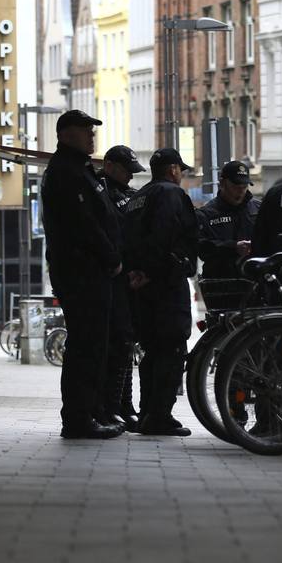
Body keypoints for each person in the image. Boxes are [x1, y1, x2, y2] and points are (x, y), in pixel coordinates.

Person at [41, 111, 127, 440]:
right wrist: (111, 258)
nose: (92, 136)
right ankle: (79, 418)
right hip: (82, 271)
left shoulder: (80, 170)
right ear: (65, 134)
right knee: (85, 346)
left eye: (93, 130)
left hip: (90, 271)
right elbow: (83, 225)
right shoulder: (66, 172)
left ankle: (91, 412)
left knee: (94, 345)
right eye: (85, 131)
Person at [123, 148, 199, 437]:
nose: (181, 175)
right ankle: (159, 415)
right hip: (165, 284)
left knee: (152, 351)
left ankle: (147, 412)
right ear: (173, 169)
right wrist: (155, 271)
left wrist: (138, 272)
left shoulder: (137, 197)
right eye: (181, 169)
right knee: (171, 348)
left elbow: (128, 238)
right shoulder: (170, 194)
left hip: (141, 286)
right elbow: (165, 234)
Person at [99, 145, 145, 431]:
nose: (130, 176)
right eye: (126, 170)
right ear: (110, 166)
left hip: (128, 279)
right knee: (115, 346)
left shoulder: (129, 195)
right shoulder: (101, 193)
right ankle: (111, 407)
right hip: (110, 278)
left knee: (126, 345)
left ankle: (124, 406)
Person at [196, 160, 261, 280]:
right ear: (222, 183)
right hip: (220, 284)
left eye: (244, 187)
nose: (241, 191)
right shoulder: (206, 214)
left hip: (254, 282)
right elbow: (201, 247)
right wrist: (233, 247)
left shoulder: (258, 209)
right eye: (236, 187)